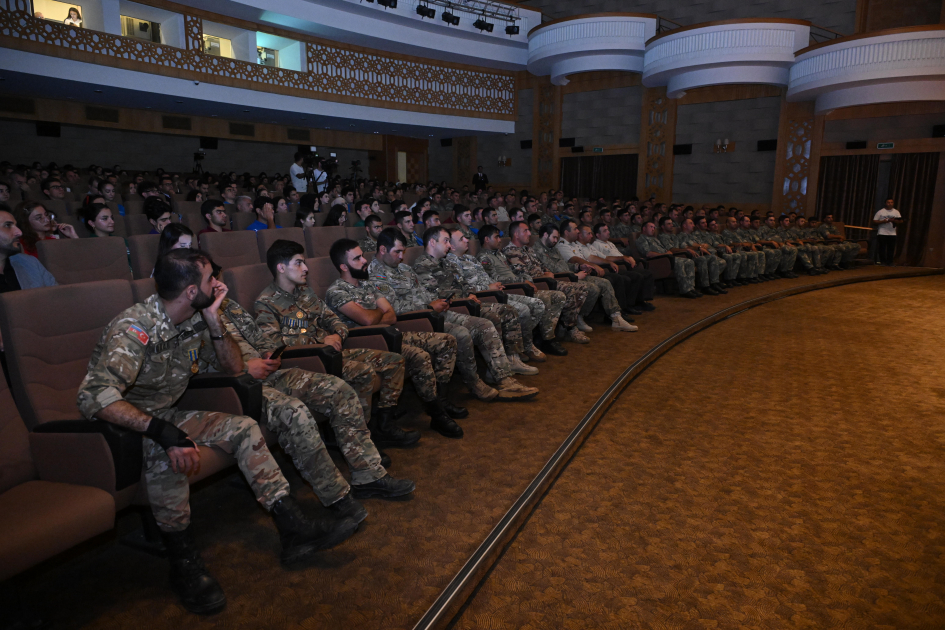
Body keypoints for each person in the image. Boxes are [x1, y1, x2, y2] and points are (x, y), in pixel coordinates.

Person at [77, 249, 358, 614]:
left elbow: (233, 367)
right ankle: (184, 565)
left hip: (170, 413)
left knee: (243, 428)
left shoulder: (196, 317)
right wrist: (159, 430)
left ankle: (292, 527)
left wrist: (213, 321)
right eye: (210, 279)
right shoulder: (135, 327)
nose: (219, 284)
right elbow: (93, 397)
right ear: (191, 291)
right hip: (127, 427)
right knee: (169, 457)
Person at [254, 241, 418, 449]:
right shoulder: (266, 302)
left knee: (394, 361)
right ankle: (361, 440)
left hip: (331, 351)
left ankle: (382, 427)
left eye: (304, 262)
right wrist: (319, 340)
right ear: (281, 267)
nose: (306, 268)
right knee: (364, 372)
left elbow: (335, 320)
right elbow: (274, 344)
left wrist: (337, 335)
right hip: (306, 360)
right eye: (298, 263)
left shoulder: (306, 292)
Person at [368, 229, 538, 401]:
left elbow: (422, 292)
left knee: (484, 325)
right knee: (462, 334)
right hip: (416, 320)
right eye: (397, 252)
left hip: (435, 311)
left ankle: (504, 379)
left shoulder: (404, 268)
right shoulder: (376, 274)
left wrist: (438, 301)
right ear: (383, 250)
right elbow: (393, 308)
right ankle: (474, 383)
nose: (401, 257)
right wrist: (428, 305)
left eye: (402, 252)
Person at [325, 239, 466, 439]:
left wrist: (373, 314)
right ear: (343, 266)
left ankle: (440, 402)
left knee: (446, 341)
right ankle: (414, 418)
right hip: (366, 342)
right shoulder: (336, 292)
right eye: (357, 258)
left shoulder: (368, 285)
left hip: (390, 333)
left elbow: (390, 314)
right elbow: (366, 321)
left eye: (362, 255)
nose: (364, 261)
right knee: (419, 356)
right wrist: (376, 313)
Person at [414, 226, 539, 375]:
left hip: (465, 301)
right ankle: (498, 372)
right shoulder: (422, 265)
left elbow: (462, 283)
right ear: (433, 243)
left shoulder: (446, 262)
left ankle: (511, 360)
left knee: (508, 310)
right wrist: (465, 297)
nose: (449, 245)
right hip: (452, 307)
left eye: (449, 241)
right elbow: (435, 294)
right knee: (493, 318)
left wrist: (469, 293)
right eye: (446, 241)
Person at [448, 228, 556, 362]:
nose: (467, 240)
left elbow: (488, 277)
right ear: (451, 246)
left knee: (538, 304)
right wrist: (488, 287)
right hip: (483, 296)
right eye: (461, 239)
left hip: (495, 290)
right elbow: (463, 288)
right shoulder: (451, 263)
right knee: (522, 309)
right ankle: (517, 351)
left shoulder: (470, 258)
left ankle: (523, 344)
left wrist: (494, 285)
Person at [636, 220, 701, 298]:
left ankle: (691, 288)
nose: (653, 229)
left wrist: (667, 252)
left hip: (667, 257)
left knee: (689, 261)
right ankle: (685, 290)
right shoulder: (641, 239)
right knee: (680, 262)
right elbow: (648, 254)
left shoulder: (654, 239)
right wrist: (665, 254)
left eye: (654, 227)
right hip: (658, 260)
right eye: (651, 227)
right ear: (644, 228)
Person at [0, 209, 58, 295]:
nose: (19, 232)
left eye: (16, 226)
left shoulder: (30, 262)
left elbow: (57, 297)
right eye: (8, 225)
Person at [13, 200, 79, 257]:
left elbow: (79, 257)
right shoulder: (21, 244)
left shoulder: (53, 241)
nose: (47, 220)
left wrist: (73, 236)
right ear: (26, 222)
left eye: (46, 214)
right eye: (39, 217)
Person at [873, 198, 902, 266]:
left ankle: (890, 262)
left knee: (891, 248)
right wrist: (883, 221)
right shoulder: (880, 212)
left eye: (891, 202)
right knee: (882, 248)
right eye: (888, 202)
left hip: (892, 233)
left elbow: (900, 221)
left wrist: (893, 221)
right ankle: (882, 261)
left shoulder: (896, 212)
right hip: (882, 232)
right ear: (885, 203)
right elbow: (874, 221)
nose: (890, 204)